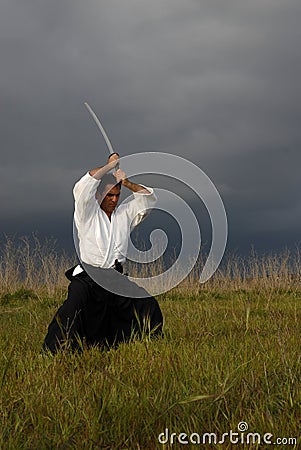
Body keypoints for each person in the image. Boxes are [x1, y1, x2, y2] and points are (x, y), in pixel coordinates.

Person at [43, 153, 163, 354]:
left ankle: (149, 346)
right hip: (89, 277)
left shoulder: (125, 214)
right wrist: (109, 167)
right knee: (72, 307)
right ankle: (55, 351)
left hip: (115, 277)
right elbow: (84, 185)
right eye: (109, 195)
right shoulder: (87, 212)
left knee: (147, 304)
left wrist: (127, 183)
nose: (114, 200)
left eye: (117, 195)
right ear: (98, 195)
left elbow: (148, 199)